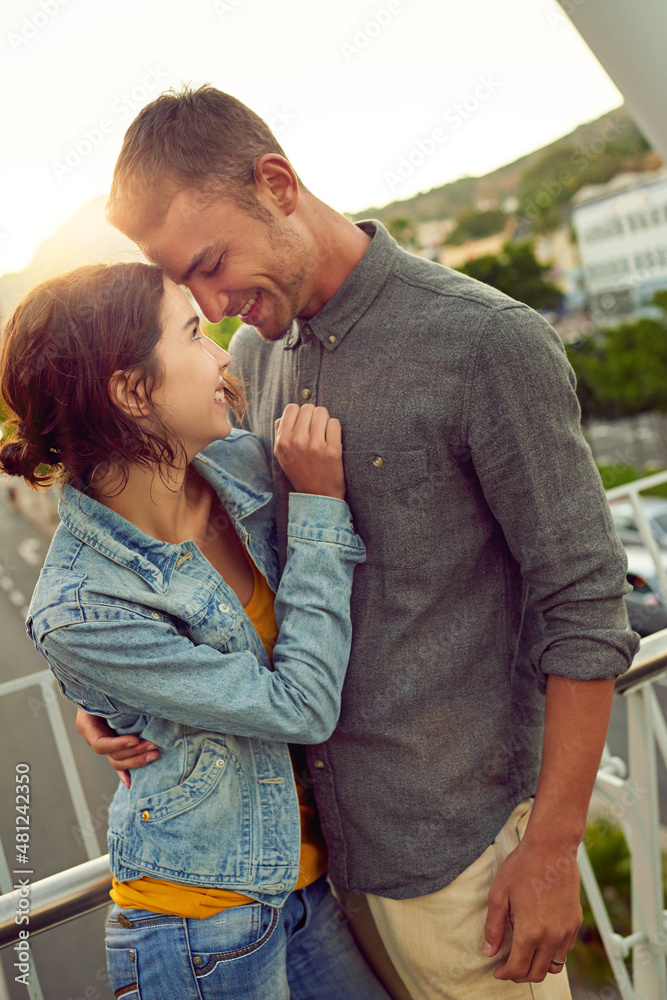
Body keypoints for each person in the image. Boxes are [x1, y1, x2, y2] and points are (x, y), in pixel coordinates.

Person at [79, 86, 640, 999]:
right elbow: (238, 566)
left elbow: (584, 605)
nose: (217, 301)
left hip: (463, 867)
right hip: (327, 870)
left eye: (216, 262)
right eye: (193, 284)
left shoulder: (484, 342)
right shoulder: (256, 358)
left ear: (277, 182)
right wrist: (117, 689)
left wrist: (552, 847)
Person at [0, 261, 393, 1000]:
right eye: (192, 334)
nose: (222, 353)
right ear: (130, 389)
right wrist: (317, 510)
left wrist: (111, 700)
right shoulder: (79, 607)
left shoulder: (240, 465)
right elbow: (299, 706)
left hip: (305, 892)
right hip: (201, 933)